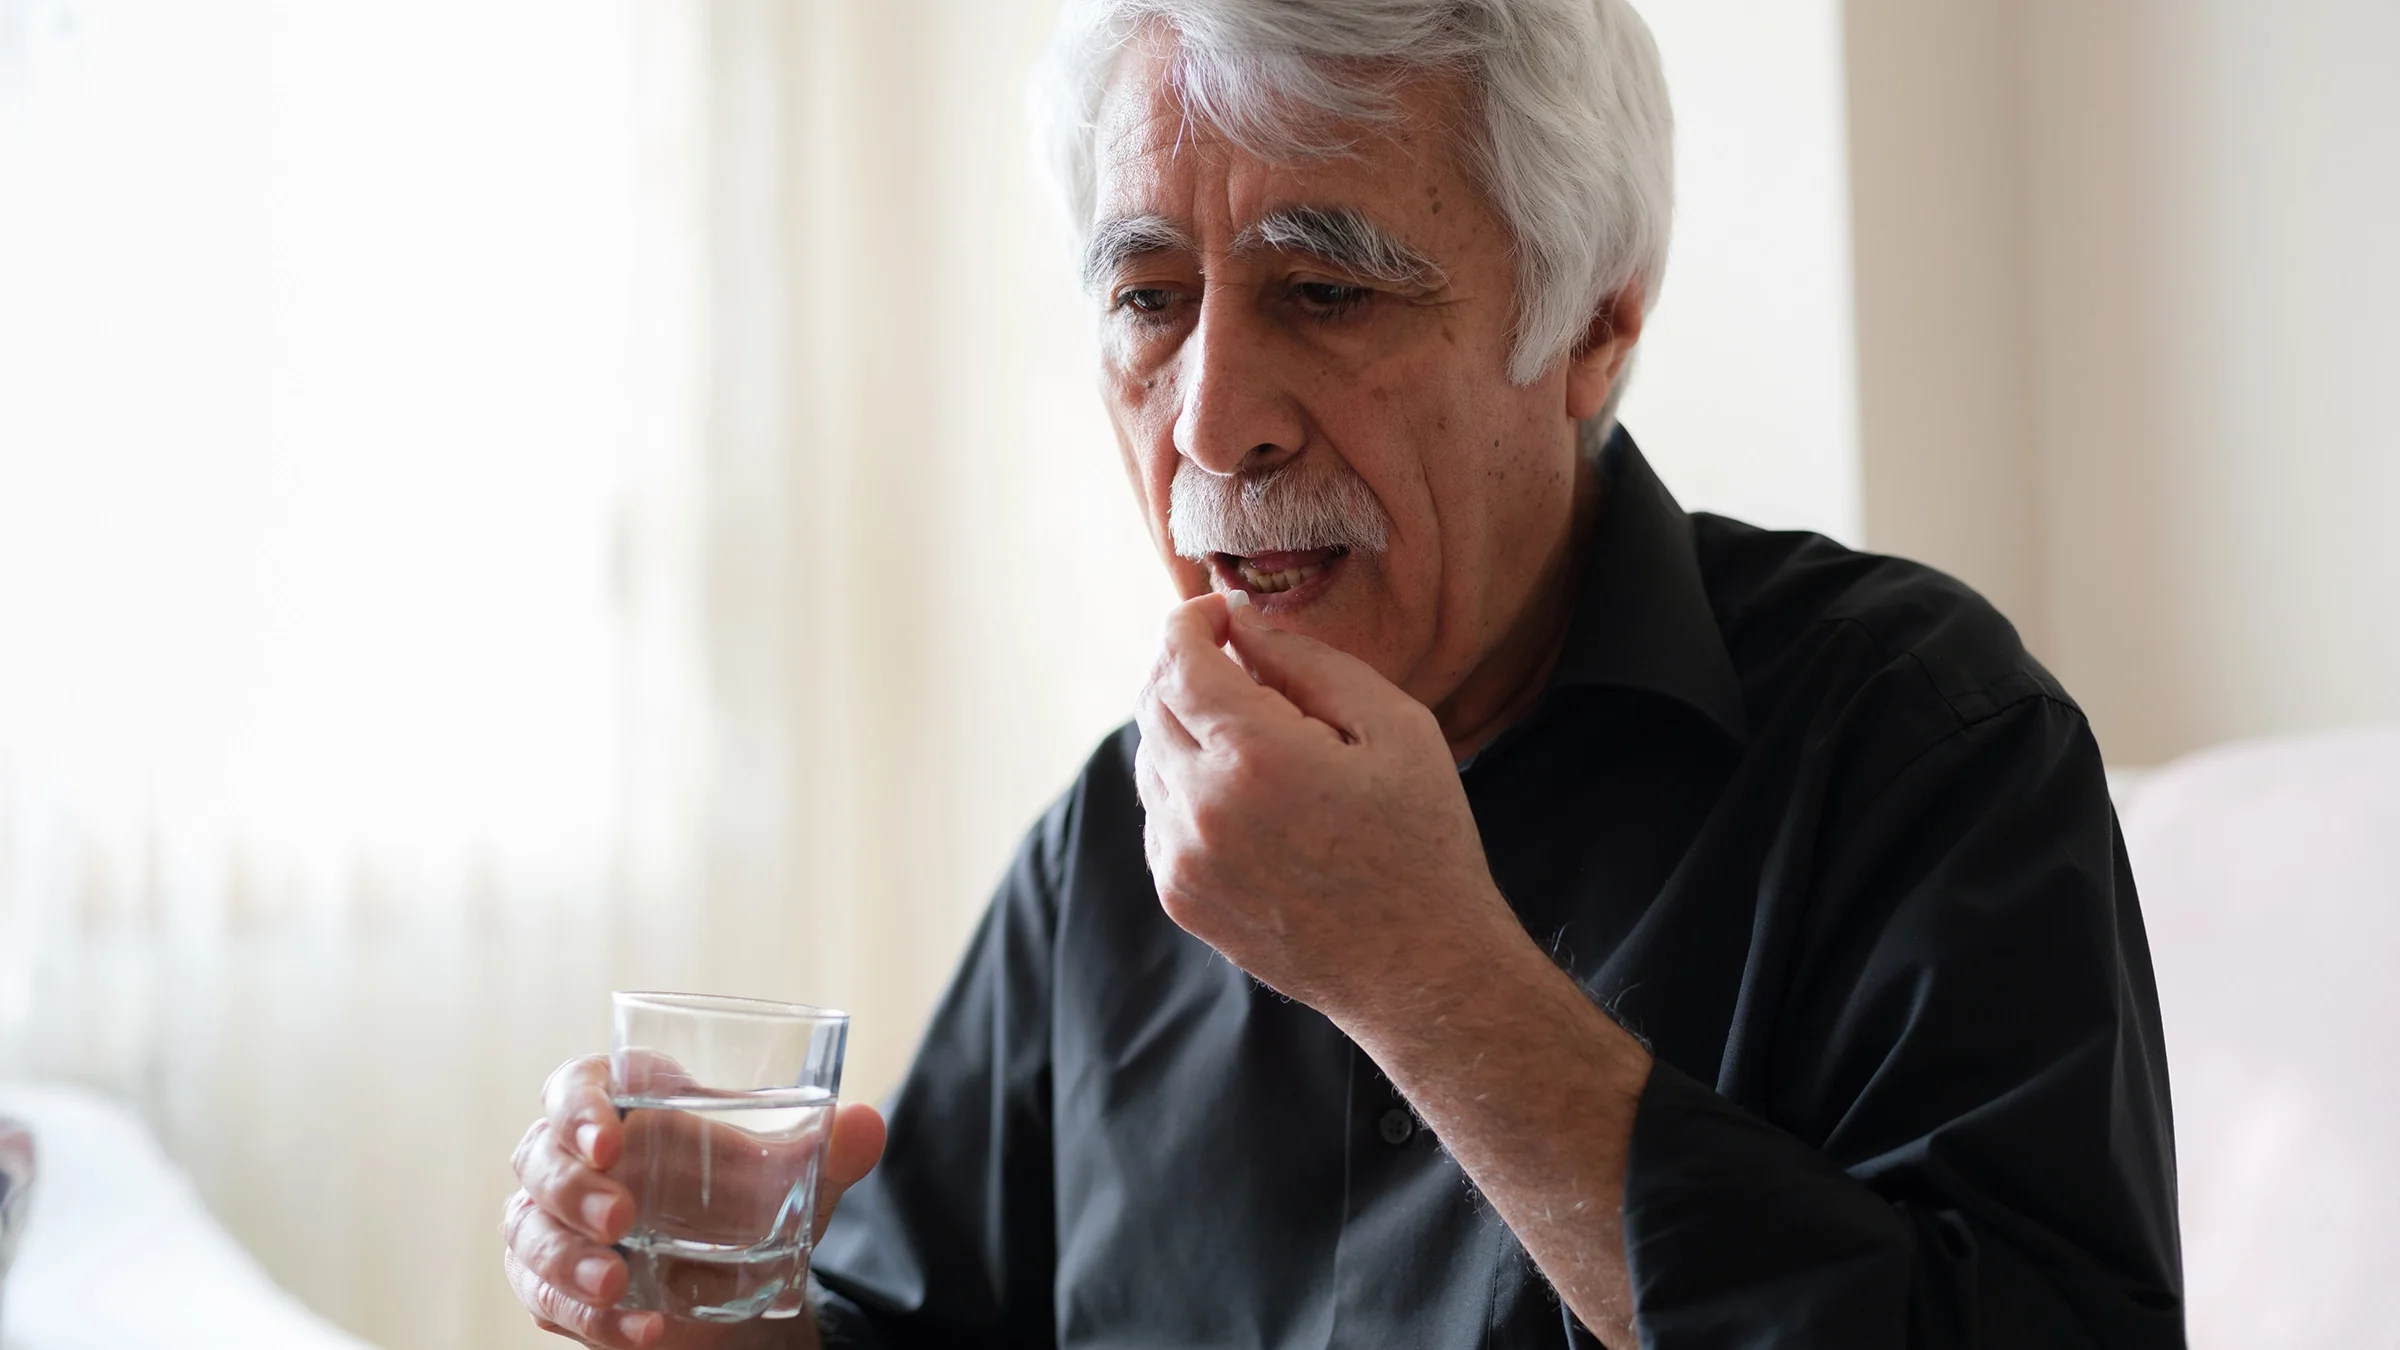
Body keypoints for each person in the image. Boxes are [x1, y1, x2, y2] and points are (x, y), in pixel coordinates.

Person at [500, 0, 2184, 1345]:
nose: (1214, 417)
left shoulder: (1924, 743)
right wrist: (717, 1305)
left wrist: (1429, 978)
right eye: (1149, 296)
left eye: (1324, 288)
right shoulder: (1112, 834)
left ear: (1596, 322)